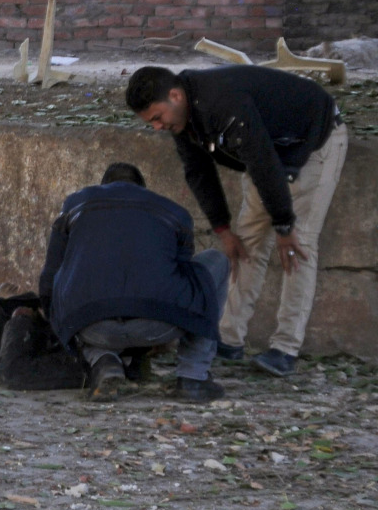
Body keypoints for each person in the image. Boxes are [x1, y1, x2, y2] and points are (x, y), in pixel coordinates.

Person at [126, 65, 347, 377]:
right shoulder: (183, 119)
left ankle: (285, 348)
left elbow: (262, 160)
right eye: (151, 122)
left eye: (158, 118)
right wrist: (223, 229)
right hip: (268, 152)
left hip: (313, 143)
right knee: (245, 243)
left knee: (299, 245)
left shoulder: (222, 102)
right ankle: (229, 338)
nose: (158, 127)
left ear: (175, 96)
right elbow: (198, 171)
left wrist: (284, 225)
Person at [38, 163, 230, 403]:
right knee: (217, 261)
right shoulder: (176, 212)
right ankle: (193, 376)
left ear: (103, 186)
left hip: (93, 330)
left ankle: (102, 360)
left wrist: (60, 328)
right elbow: (185, 275)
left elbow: (48, 279)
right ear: (142, 189)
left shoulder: (74, 205)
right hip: (159, 324)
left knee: (63, 276)